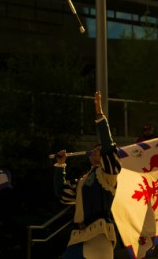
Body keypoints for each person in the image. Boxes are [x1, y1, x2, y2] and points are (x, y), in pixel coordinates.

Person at [54, 92, 121, 259]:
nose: (96, 151)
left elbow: (108, 148)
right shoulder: (83, 181)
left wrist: (100, 115)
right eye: (95, 150)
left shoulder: (108, 176)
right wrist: (60, 165)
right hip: (78, 237)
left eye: (99, 150)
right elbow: (63, 193)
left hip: (99, 236)